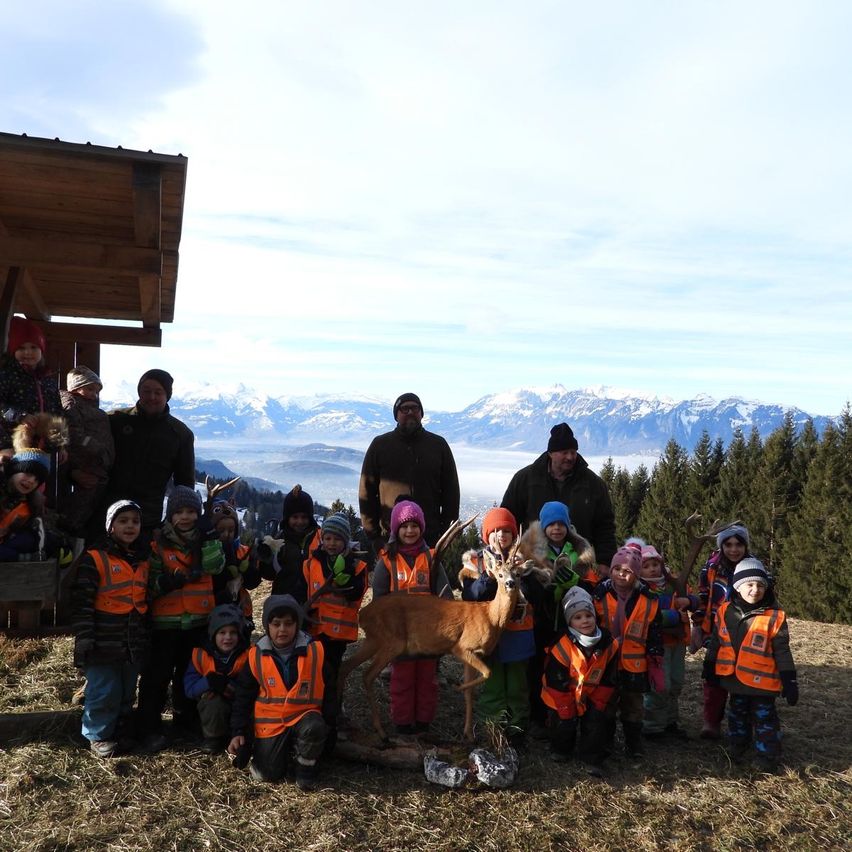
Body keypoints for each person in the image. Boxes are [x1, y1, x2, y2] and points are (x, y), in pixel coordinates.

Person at [136, 486, 225, 751]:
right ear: (169, 515)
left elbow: (215, 566)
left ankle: (185, 722)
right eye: (179, 512)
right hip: (165, 623)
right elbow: (149, 582)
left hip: (198, 621)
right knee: (156, 677)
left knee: (188, 676)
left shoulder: (206, 538)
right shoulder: (157, 543)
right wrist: (166, 582)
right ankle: (149, 727)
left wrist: (209, 538)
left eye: (191, 512)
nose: (185, 517)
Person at [459, 507, 545, 747]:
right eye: (495, 531)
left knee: (518, 684)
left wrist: (523, 575)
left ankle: (517, 731)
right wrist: (490, 574)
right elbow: (471, 595)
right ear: (487, 535)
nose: (500, 535)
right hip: (489, 635)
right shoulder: (476, 561)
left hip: (518, 634)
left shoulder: (526, 560)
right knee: (493, 684)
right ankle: (493, 729)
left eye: (506, 530)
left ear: (513, 535)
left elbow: (537, 595)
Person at [703, 558, 799, 773]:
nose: (755, 590)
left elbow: (782, 650)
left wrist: (789, 679)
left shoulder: (775, 616)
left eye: (760, 585)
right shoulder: (724, 611)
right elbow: (717, 641)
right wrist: (709, 665)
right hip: (735, 679)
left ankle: (767, 755)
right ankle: (738, 745)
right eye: (749, 584)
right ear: (737, 587)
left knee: (764, 719)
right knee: (737, 714)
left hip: (763, 683)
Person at [71, 500, 149, 758]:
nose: (130, 526)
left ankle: (120, 731)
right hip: (102, 641)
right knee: (103, 690)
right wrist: (84, 638)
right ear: (110, 526)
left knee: (127, 689)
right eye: (123, 521)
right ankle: (98, 735)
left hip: (131, 640)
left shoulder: (142, 559)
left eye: (135, 521)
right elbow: (82, 603)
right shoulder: (95, 558)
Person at [228, 594, 328, 789]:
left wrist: (329, 726)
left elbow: (330, 690)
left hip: (305, 717)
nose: (282, 629)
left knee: (314, 727)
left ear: (297, 625)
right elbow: (243, 696)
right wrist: (238, 731)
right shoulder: (255, 655)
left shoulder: (315, 650)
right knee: (264, 775)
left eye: (289, 624)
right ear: (267, 626)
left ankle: (305, 768)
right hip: (271, 724)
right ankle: (287, 752)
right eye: (276, 624)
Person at [371, 499, 452, 734]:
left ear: (422, 528)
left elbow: (445, 594)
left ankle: (425, 721)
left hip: (429, 634)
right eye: (405, 526)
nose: (410, 531)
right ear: (396, 529)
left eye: (414, 526)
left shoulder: (432, 558)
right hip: (400, 635)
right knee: (402, 679)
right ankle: (403, 723)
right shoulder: (386, 561)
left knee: (428, 678)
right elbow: (379, 599)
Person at [592, 545, 675, 759]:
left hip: (635, 665)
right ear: (610, 570)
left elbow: (655, 631)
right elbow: (592, 626)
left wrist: (655, 657)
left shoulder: (648, 600)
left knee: (633, 706)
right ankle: (607, 741)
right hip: (607, 662)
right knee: (607, 703)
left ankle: (633, 743)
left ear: (636, 574)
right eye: (617, 568)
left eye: (627, 571)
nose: (621, 573)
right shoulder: (599, 595)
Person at [501, 423, 617, 572]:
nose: (570, 457)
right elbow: (507, 521)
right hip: (531, 568)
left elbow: (604, 527)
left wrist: (605, 561)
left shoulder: (593, 484)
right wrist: (507, 556)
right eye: (564, 452)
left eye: (573, 452)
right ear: (551, 453)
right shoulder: (525, 479)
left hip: (578, 567)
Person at [359, 392, 460, 549]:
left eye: (415, 408)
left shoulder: (438, 446)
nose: (410, 412)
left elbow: (451, 492)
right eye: (404, 409)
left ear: (421, 414)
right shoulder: (380, 445)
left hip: (430, 540)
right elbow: (367, 491)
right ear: (396, 415)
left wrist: (446, 532)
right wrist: (374, 536)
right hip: (390, 539)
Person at [105, 369, 195, 543]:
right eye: (146, 391)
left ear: (167, 395)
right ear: (139, 392)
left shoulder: (180, 434)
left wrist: (175, 521)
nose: (151, 397)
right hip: (107, 511)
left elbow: (184, 484)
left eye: (158, 392)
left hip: (148, 518)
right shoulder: (115, 420)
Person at [300, 511, 368, 737]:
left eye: (337, 539)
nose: (331, 543)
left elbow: (356, 593)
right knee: (314, 673)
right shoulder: (311, 563)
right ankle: (314, 712)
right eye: (327, 538)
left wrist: (345, 570)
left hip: (338, 633)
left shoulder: (357, 566)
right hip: (315, 629)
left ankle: (332, 714)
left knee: (332, 674)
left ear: (345, 541)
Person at [541, 586, 619, 775]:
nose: (584, 620)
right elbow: (555, 679)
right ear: (569, 621)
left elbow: (610, 677)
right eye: (577, 617)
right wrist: (566, 706)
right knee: (563, 722)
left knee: (595, 721)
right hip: (561, 694)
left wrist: (598, 701)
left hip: (592, 694)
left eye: (588, 615)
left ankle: (592, 757)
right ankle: (561, 750)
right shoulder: (561, 645)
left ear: (595, 616)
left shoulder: (609, 644)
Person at [692, 524, 752, 739]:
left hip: (744, 632)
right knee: (713, 678)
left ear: (745, 546)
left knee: (740, 679)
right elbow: (703, 595)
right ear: (721, 546)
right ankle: (711, 722)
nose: (734, 549)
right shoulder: (710, 568)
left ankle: (741, 724)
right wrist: (698, 624)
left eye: (738, 544)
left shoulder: (753, 567)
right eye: (728, 544)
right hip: (716, 632)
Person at [637, 542, 697, 740]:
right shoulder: (640, 589)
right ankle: (653, 727)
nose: (652, 569)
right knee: (659, 686)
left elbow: (695, 599)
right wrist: (673, 616)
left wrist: (688, 601)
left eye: (655, 564)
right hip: (657, 645)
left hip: (677, 643)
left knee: (676, 683)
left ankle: (670, 721)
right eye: (646, 566)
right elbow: (648, 615)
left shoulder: (673, 585)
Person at [183, 604, 249, 754]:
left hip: (240, 704)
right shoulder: (200, 656)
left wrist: (232, 686)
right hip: (214, 709)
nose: (228, 637)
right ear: (213, 634)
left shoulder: (248, 655)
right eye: (222, 632)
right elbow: (189, 689)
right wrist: (209, 682)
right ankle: (213, 738)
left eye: (233, 632)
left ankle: (241, 735)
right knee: (212, 701)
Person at [59, 366, 115, 542]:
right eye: (90, 389)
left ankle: (79, 531)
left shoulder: (87, 406)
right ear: (76, 388)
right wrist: (96, 447)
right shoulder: (72, 405)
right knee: (85, 497)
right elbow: (74, 434)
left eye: (97, 390)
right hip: (85, 461)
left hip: (96, 462)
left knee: (94, 497)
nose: (94, 394)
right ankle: (71, 530)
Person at [0, 316, 63, 462]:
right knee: (16, 480)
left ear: (41, 350)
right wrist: (20, 416)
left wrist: (60, 445)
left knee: (36, 481)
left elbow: (58, 413)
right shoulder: (7, 375)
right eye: (21, 348)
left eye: (33, 347)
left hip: (42, 445)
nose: (28, 352)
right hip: (10, 442)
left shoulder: (48, 380)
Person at [208, 498, 261, 638]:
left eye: (231, 530)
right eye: (221, 530)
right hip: (215, 611)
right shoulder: (208, 554)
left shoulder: (243, 551)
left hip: (242, 612)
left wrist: (247, 570)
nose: (226, 534)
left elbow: (254, 582)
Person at [258, 484, 320, 596]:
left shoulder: (320, 539)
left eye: (304, 517)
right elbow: (269, 575)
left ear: (310, 518)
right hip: (284, 602)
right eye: (295, 517)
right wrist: (265, 558)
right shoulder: (279, 540)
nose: (300, 522)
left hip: (313, 603)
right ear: (287, 518)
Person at [0, 447, 51, 560]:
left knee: (28, 540)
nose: (31, 481)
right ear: (14, 470)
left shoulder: (30, 502)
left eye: (37, 480)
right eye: (28, 473)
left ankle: (20, 558)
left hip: (5, 540)